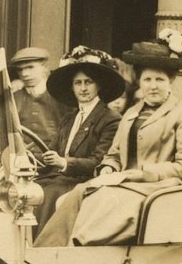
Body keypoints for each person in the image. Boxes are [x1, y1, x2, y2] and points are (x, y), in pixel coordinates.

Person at [34, 37, 182, 248]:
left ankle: (74, 252)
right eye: (147, 80)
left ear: (171, 82)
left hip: (157, 188)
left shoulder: (178, 114)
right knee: (76, 194)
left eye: (160, 80)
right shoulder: (131, 114)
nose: (153, 86)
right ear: (139, 82)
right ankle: (47, 253)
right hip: (123, 182)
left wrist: (141, 173)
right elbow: (113, 154)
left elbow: (180, 168)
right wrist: (107, 168)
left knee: (104, 203)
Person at [33, 46, 124, 235]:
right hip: (58, 179)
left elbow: (99, 161)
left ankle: (44, 250)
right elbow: (50, 151)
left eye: (88, 82)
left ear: (98, 86)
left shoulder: (110, 119)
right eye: (77, 83)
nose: (83, 88)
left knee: (50, 194)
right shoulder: (69, 118)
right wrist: (30, 160)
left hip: (84, 182)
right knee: (28, 191)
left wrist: (64, 163)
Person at [10, 47, 67, 149]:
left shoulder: (59, 95)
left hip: (54, 158)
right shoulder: (13, 98)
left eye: (30, 67)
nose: (24, 74)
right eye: (20, 69)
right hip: (21, 158)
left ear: (45, 67)